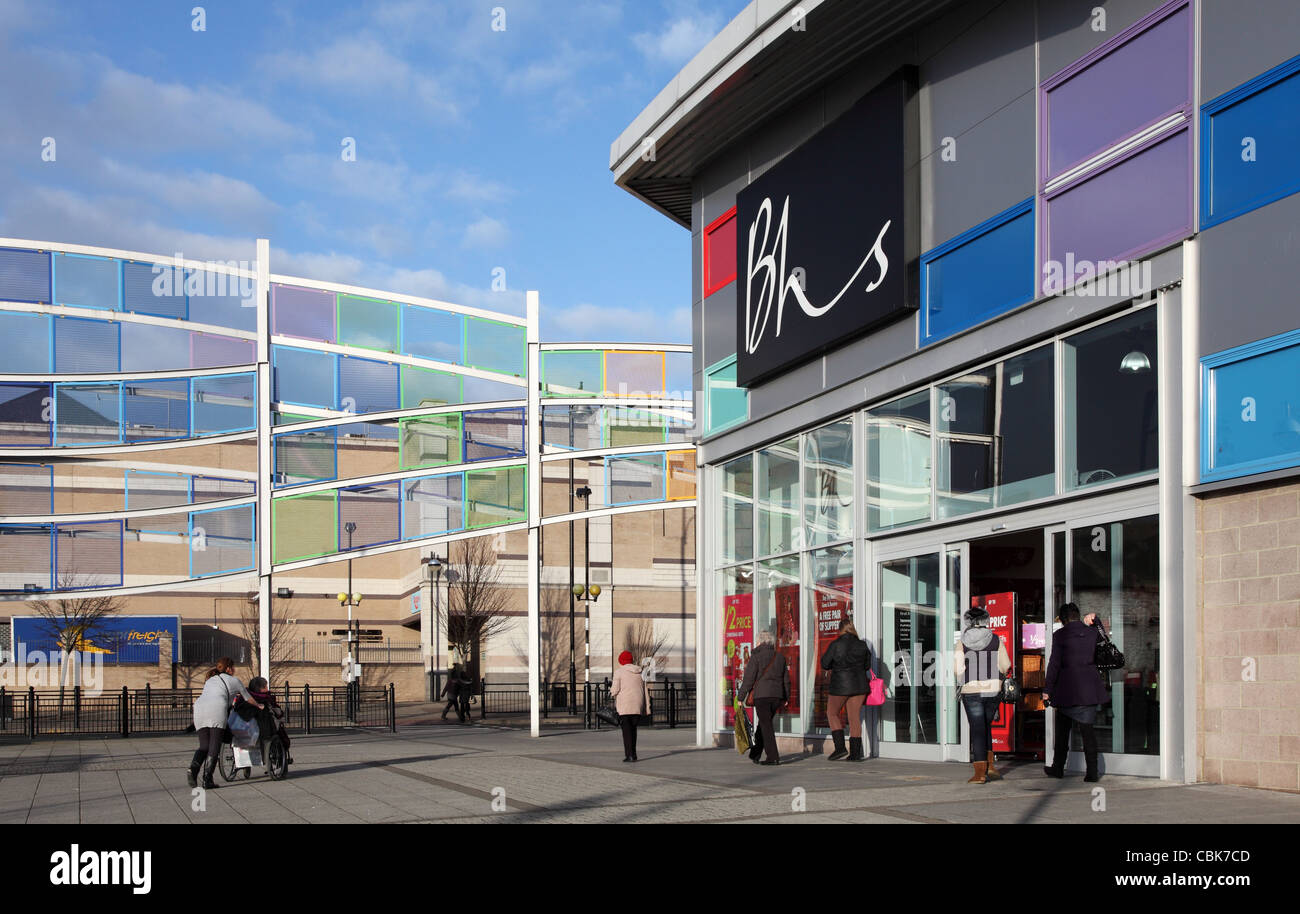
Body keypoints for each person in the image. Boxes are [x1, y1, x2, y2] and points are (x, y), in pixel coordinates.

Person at [1043, 602, 1108, 782]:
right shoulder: (1092, 632)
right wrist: (1096, 620)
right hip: (1089, 687)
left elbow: (1054, 663)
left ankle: (1058, 768)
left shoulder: (1060, 635)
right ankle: (1092, 772)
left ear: (1063, 619)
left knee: (1063, 732)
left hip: (1066, 688)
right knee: (1088, 732)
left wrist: (1047, 689)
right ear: (1078, 616)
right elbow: (1105, 640)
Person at [954, 608, 1011, 784]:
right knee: (986, 726)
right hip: (992, 688)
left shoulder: (962, 642)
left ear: (968, 622)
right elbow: (1006, 664)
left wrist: (962, 678)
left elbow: (958, 668)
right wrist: (998, 677)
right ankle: (990, 767)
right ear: (986, 621)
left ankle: (979, 774)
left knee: (977, 729)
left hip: (971, 689)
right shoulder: (995, 639)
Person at [187, 657, 260, 789]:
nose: (234, 669)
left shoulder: (210, 680)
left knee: (204, 746)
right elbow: (248, 698)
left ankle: (193, 769)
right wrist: (259, 706)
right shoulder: (234, 681)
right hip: (216, 709)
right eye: (233, 667)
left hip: (199, 708)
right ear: (228, 669)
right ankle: (207, 779)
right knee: (214, 746)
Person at [820, 619, 871, 762]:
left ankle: (840, 748)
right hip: (859, 686)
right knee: (854, 719)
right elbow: (867, 666)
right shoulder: (862, 645)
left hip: (840, 685)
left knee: (832, 713)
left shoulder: (836, 644)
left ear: (841, 630)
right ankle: (855, 754)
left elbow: (825, 663)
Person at [737, 630, 790, 766]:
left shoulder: (756, 657)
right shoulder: (780, 657)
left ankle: (773, 757)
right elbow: (786, 680)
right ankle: (755, 753)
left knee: (766, 726)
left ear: (760, 642)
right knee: (763, 724)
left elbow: (748, 679)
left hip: (762, 697)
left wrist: (740, 697)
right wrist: (786, 697)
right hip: (776, 697)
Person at [610, 650, 651, 762]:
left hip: (624, 706)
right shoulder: (640, 672)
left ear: (621, 661)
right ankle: (634, 754)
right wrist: (647, 707)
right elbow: (645, 690)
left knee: (626, 732)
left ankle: (629, 755)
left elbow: (615, 690)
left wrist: (611, 692)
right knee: (633, 730)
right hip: (638, 705)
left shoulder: (619, 672)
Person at [246, 677, 292, 765]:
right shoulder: (266, 699)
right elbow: (277, 712)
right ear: (260, 688)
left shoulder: (246, 697)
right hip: (265, 729)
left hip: (246, 729)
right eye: (265, 687)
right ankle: (279, 760)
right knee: (281, 735)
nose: (267, 689)